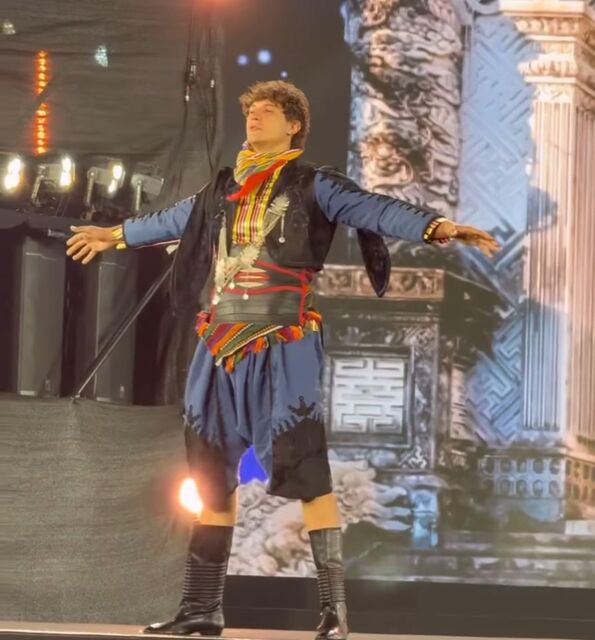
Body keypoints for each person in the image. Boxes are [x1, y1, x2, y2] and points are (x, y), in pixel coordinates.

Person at [67, 80, 499, 639]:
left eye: (268, 111)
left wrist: (435, 226)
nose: (255, 117)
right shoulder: (222, 188)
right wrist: (115, 235)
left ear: (294, 125)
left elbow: (373, 208)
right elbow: (174, 219)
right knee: (209, 474)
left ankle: (333, 613)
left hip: (283, 340)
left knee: (305, 469)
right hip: (219, 344)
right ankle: (202, 609)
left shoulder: (315, 184)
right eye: (251, 110)